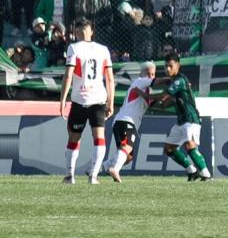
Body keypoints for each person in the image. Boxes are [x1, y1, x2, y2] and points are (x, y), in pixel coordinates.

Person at [59, 18, 115, 185]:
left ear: (76, 33)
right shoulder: (103, 50)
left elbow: (68, 75)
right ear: (91, 32)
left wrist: (62, 99)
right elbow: (110, 78)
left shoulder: (73, 48)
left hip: (79, 100)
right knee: (99, 138)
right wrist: (110, 102)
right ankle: (93, 176)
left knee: (74, 138)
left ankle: (70, 176)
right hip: (98, 99)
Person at [158, 51, 211, 181]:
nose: (167, 69)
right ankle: (192, 171)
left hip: (190, 118)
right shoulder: (173, 82)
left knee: (190, 145)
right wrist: (159, 104)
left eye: (170, 66)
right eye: (166, 66)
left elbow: (164, 96)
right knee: (169, 149)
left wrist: (145, 97)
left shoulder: (179, 80)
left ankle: (206, 174)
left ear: (178, 66)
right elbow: (165, 103)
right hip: (181, 121)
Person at [102, 61, 157, 183]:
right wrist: (174, 81)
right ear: (142, 74)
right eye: (148, 74)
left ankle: (105, 166)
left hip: (124, 122)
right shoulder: (139, 82)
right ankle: (115, 169)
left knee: (129, 157)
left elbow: (153, 101)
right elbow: (157, 82)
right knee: (126, 147)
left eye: (153, 74)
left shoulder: (147, 91)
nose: (151, 77)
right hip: (125, 120)